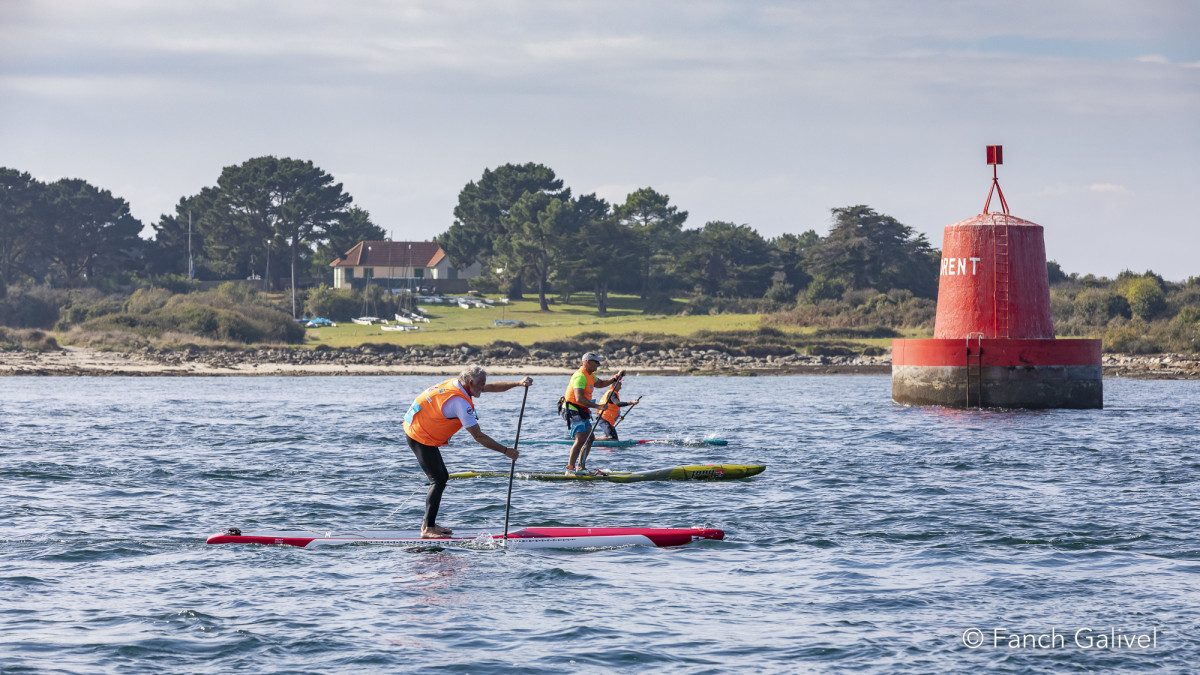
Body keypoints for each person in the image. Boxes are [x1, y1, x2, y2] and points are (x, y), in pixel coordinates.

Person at [403, 365, 532, 538]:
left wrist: (518, 383)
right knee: (438, 479)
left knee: (443, 477)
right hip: (419, 435)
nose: (483, 388)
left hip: (420, 429)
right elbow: (478, 436)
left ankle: (429, 523)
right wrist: (505, 451)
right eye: (480, 384)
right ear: (471, 382)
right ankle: (427, 529)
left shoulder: (458, 384)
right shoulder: (460, 403)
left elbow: (492, 387)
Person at [560, 352, 625, 475]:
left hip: (582, 410)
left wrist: (615, 378)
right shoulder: (580, 376)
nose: (598, 365)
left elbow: (600, 383)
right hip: (572, 410)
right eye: (596, 362)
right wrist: (598, 406)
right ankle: (570, 469)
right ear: (587, 362)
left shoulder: (590, 375)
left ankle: (581, 467)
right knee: (580, 439)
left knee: (590, 438)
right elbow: (579, 398)